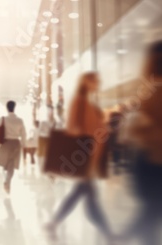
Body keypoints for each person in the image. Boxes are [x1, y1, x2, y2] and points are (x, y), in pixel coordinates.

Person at [45, 72, 116, 244]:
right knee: (88, 198)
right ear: (86, 82)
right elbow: (71, 129)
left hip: (91, 157)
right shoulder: (79, 102)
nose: (98, 83)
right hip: (85, 156)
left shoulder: (88, 103)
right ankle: (108, 234)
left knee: (83, 194)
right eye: (95, 80)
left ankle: (53, 223)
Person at [121, 40, 162, 245]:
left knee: (151, 214)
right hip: (154, 164)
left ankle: (120, 237)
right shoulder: (154, 91)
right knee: (151, 214)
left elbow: (134, 129)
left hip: (147, 163)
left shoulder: (146, 90)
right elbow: (137, 129)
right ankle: (120, 238)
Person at [0, 101, 26, 194]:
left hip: (5, 143)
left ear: (7, 108)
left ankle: (6, 181)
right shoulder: (19, 120)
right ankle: (7, 182)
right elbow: (23, 134)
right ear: (14, 107)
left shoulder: (3, 119)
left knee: (4, 165)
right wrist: (23, 145)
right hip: (16, 143)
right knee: (11, 165)